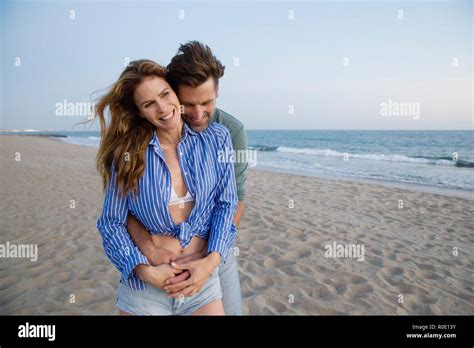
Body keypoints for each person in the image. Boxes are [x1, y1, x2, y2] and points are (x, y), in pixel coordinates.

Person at [95, 59, 238, 315]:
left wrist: (209, 264)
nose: (163, 108)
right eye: (149, 104)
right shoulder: (128, 153)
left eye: (165, 94)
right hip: (147, 288)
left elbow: (226, 204)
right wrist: (145, 271)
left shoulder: (217, 139)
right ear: (139, 111)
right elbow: (111, 222)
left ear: (175, 92)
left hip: (201, 283)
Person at [126, 41, 248, 315]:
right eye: (188, 103)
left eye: (207, 102)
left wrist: (208, 258)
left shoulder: (229, 131)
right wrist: (149, 250)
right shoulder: (150, 128)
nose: (197, 113)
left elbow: (234, 203)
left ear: (217, 92)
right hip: (160, 253)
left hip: (216, 243)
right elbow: (125, 208)